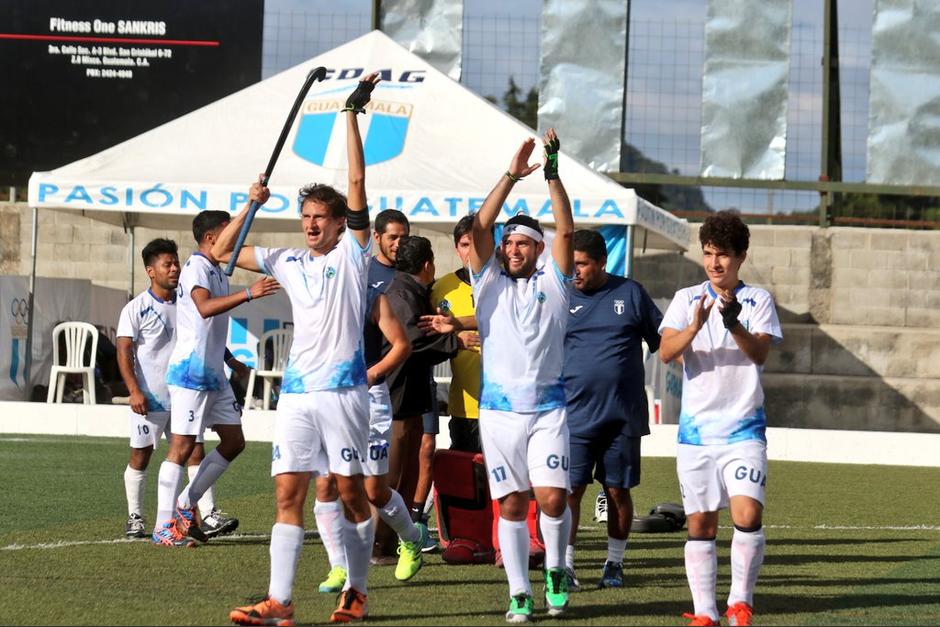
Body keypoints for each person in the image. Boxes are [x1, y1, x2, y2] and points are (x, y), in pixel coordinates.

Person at [222, 73, 380, 625]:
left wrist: (351, 116)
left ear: (341, 225)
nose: (312, 225)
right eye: (306, 218)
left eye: (322, 218)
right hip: (295, 395)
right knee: (287, 494)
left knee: (351, 495)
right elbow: (223, 251)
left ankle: (357, 590)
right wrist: (250, 204)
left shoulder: (353, 255)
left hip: (344, 394)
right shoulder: (286, 260)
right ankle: (280, 602)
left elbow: (357, 180)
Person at [423, 129, 574, 622]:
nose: (511, 248)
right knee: (509, 504)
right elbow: (481, 223)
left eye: (522, 243)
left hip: (548, 410)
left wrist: (551, 174)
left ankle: (555, 566)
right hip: (499, 414)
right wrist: (511, 174)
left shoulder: (554, 283)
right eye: (506, 241)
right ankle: (519, 592)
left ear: (538, 249)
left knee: (551, 498)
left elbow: (566, 231)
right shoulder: (485, 282)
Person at [658, 211, 782, 627]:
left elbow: (760, 353)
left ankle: (740, 603)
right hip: (696, 435)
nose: (714, 263)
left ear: (741, 257)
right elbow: (665, 352)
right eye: (709, 253)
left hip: (744, 431)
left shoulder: (758, 300)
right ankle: (706, 611)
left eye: (723, 255)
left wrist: (733, 325)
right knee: (701, 523)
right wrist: (695, 326)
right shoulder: (686, 298)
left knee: (747, 515)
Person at [154, 213, 279, 548]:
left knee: (234, 441)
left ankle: (184, 504)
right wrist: (249, 294)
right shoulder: (196, 267)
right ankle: (162, 525)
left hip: (214, 374)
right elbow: (205, 308)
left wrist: (229, 359)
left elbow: (204, 326)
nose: (235, 238)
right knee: (181, 448)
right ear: (211, 238)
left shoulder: (219, 271)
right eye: (229, 232)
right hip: (191, 374)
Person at [116, 239, 240, 540]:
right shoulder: (137, 308)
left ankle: (207, 514)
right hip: (152, 397)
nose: (174, 269)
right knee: (141, 454)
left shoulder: (187, 301)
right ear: (150, 271)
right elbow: (123, 351)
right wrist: (134, 391)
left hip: (185, 391)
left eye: (176, 263)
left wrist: (230, 359)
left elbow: (201, 337)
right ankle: (136, 517)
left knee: (196, 450)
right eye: (166, 264)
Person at [562, 229, 663, 591]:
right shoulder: (559, 296)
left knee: (617, 490)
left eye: (582, 264)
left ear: (603, 262)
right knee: (569, 490)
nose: (575, 271)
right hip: (573, 416)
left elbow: (664, 342)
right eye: (571, 264)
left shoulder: (631, 293)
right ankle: (566, 566)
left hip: (622, 416)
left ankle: (614, 563)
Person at [312, 279, 424, 591]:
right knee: (326, 483)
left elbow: (402, 346)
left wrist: (372, 374)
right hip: (329, 399)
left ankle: (412, 540)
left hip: (370, 401)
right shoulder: (318, 293)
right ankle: (338, 567)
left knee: (375, 491)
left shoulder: (373, 298)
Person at [382, 235, 460, 553]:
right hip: (396, 395)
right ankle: (379, 545)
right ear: (428, 265)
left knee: (406, 472)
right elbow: (413, 342)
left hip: (409, 394)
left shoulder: (410, 290)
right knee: (391, 476)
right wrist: (457, 342)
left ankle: (398, 537)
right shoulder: (401, 293)